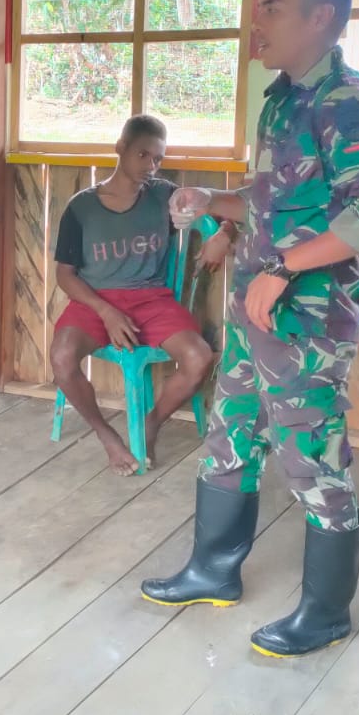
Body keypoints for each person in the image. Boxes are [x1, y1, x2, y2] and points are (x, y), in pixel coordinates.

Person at [142, 0, 359, 660]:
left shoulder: (348, 103)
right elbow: (269, 200)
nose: (256, 20)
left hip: (308, 325)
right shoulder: (285, 99)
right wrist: (211, 205)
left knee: (313, 461)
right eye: (260, 5)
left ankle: (324, 613)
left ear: (322, 17)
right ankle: (212, 570)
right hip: (257, 316)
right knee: (231, 438)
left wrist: (283, 268)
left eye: (273, 6)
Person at [50, 115, 226, 477]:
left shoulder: (164, 195)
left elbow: (228, 209)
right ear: (121, 149)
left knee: (199, 358)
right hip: (95, 301)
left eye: (158, 159)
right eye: (143, 155)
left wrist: (221, 234)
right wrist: (105, 311)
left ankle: (152, 423)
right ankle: (108, 436)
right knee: (62, 357)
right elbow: (65, 275)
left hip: (152, 300)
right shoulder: (81, 208)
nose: (151, 166)